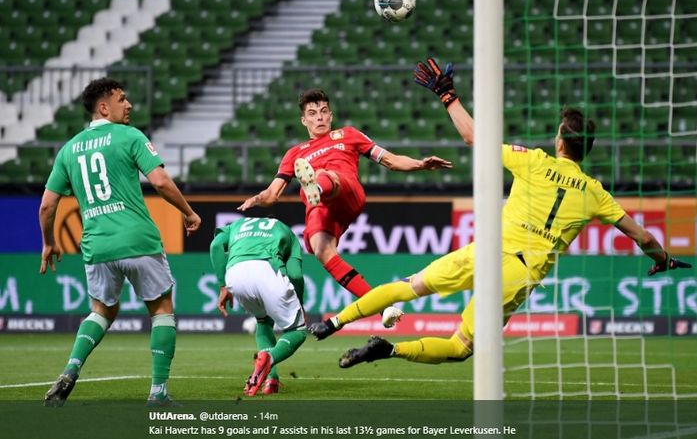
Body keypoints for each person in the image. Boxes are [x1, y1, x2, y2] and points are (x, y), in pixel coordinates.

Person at [309, 58, 692, 368]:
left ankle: (335, 321)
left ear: (559, 141)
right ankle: (391, 350)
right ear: (585, 150)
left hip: (486, 250)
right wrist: (664, 259)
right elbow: (643, 237)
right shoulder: (595, 193)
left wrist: (448, 97)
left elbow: (474, 138)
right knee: (460, 347)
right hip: (519, 271)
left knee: (409, 287)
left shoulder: (534, 161)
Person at [39, 77, 202, 406]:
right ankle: (158, 392)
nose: (128, 105)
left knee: (101, 311)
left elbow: (47, 206)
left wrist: (49, 242)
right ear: (104, 107)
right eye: (122, 99)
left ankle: (71, 369)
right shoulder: (130, 136)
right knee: (161, 310)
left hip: (97, 247)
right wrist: (188, 211)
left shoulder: (68, 149)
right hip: (137, 240)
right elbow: (161, 181)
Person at [238, 89, 452, 327]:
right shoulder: (294, 154)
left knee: (323, 175)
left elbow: (390, 160)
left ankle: (316, 186)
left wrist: (420, 164)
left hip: (345, 190)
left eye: (323, 112)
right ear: (304, 120)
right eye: (312, 113)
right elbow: (272, 195)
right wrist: (259, 199)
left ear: (330, 115)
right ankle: (383, 308)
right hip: (320, 208)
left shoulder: (348, 135)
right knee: (321, 250)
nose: (319, 117)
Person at [211, 216, 307, 396]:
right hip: (268, 269)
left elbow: (215, 246)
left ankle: (271, 381)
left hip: (236, 274)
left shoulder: (236, 225)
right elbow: (295, 275)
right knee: (298, 331)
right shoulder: (286, 230)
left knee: (263, 322)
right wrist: (300, 303)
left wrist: (223, 285)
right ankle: (269, 359)